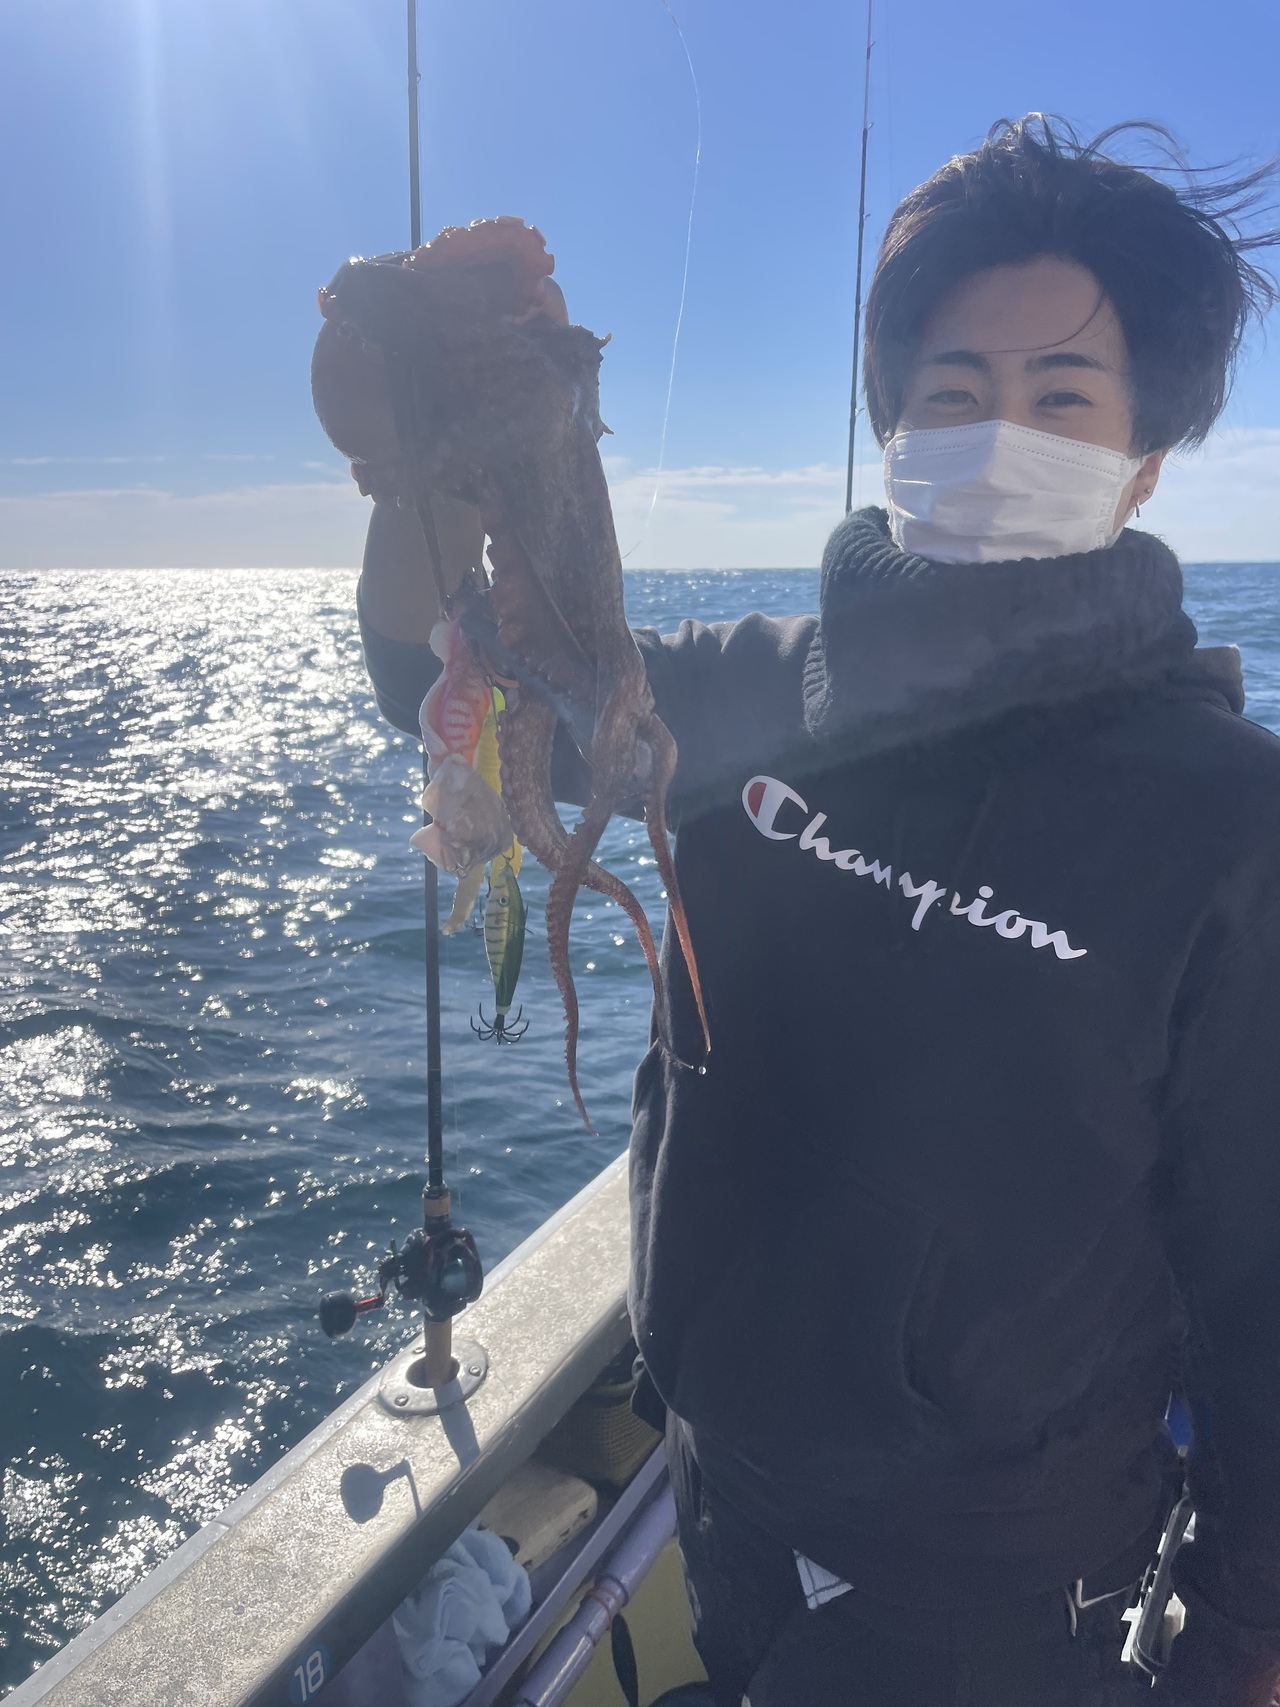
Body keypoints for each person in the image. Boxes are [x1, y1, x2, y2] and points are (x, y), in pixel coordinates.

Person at [356, 117, 1280, 1705]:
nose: (1000, 434)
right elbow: (436, 686)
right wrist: (431, 442)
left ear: (1145, 459)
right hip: (727, 1497)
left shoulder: (1227, 820)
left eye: (1063, 398)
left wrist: (1246, 1642)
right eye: (953, 393)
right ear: (893, 424)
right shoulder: (740, 695)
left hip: (999, 1589)